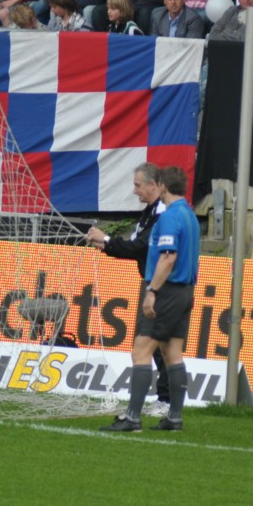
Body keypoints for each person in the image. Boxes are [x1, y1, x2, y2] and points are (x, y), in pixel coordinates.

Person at [100, 166, 199, 432]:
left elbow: (168, 257)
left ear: (162, 186)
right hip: (185, 291)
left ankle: (132, 418)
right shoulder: (190, 215)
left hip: (166, 290)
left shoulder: (168, 217)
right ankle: (174, 418)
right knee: (172, 353)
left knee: (140, 352)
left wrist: (152, 291)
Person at [87, 164, 171, 419]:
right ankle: (165, 400)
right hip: (152, 284)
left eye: (137, 185)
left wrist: (109, 240)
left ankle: (161, 402)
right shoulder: (149, 213)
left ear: (153, 185)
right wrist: (106, 246)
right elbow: (135, 247)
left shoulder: (163, 214)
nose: (135, 191)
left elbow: (141, 246)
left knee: (151, 346)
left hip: (161, 286)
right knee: (158, 346)